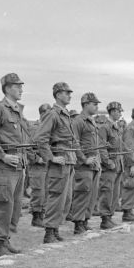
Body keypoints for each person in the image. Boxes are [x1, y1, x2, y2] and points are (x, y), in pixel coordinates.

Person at [0, 73, 31, 257]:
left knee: (14, 205)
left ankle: (6, 238)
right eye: (17, 86)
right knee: (3, 204)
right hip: (4, 166)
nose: (21, 90)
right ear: (8, 88)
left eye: (21, 86)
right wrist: (2, 156)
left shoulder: (17, 110)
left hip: (18, 164)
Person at [34, 82, 78, 243]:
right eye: (66, 93)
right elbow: (40, 138)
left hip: (68, 159)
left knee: (66, 198)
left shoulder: (65, 114)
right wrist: (51, 157)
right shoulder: (53, 114)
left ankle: (55, 228)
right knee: (56, 196)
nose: (69, 95)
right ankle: (49, 232)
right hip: (59, 160)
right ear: (58, 94)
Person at [67, 93, 102, 234]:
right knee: (82, 193)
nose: (97, 107)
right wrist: (83, 159)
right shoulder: (78, 121)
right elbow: (75, 143)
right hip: (83, 165)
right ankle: (78, 223)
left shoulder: (91, 121)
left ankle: (85, 220)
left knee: (91, 195)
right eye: (94, 104)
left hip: (94, 163)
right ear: (86, 104)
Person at [97, 101, 124, 229]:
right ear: (113, 111)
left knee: (114, 192)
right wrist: (108, 162)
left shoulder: (116, 127)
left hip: (117, 164)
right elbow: (102, 148)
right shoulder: (105, 127)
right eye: (119, 111)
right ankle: (105, 218)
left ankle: (110, 216)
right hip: (109, 165)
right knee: (106, 191)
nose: (120, 114)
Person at [27, 104, 51, 228]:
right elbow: (27, 148)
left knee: (47, 191)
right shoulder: (34, 129)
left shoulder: (50, 128)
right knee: (38, 191)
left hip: (48, 165)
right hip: (37, 165)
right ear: (41, 114)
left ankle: (42, 214)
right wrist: (37, 159)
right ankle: (36, 216)